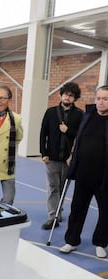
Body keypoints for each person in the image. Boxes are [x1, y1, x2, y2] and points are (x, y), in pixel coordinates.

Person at [60, 85, 108, 258]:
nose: (100, 102)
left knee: (105, 212)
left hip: (104, 177)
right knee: (77, 209)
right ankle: (71, 241)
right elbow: (79, 139)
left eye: (105, 99)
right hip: (83, 173)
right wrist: (73, 154)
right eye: (98, 98)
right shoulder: (87, 116)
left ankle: (100, 243)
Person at [39, 82, 83, 230]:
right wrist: (43, 153)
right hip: (51, 158)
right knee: (53, 188)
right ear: (61, 95)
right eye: (65, 94)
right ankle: (53, 217)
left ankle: (58, 210)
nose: (67, 97)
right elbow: (43, 133)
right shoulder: (50, 112)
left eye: (71, 95)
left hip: (68, 160)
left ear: (75, 98)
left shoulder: (80, 115)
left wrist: (68, 130)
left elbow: (81, 136)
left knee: (62, 188)